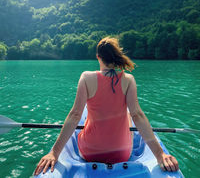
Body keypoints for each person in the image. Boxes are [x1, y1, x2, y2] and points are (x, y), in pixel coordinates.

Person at [34, 37, 179, 176]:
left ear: (98, 57)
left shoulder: (86, 77)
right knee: (129, 115)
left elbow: (75, 115)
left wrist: (54, 153)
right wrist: (160, 154)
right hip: (121, 154)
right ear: (116, 57)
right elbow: (138, 115)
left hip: (90, 152)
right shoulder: (128, 80)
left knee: (88, 120)